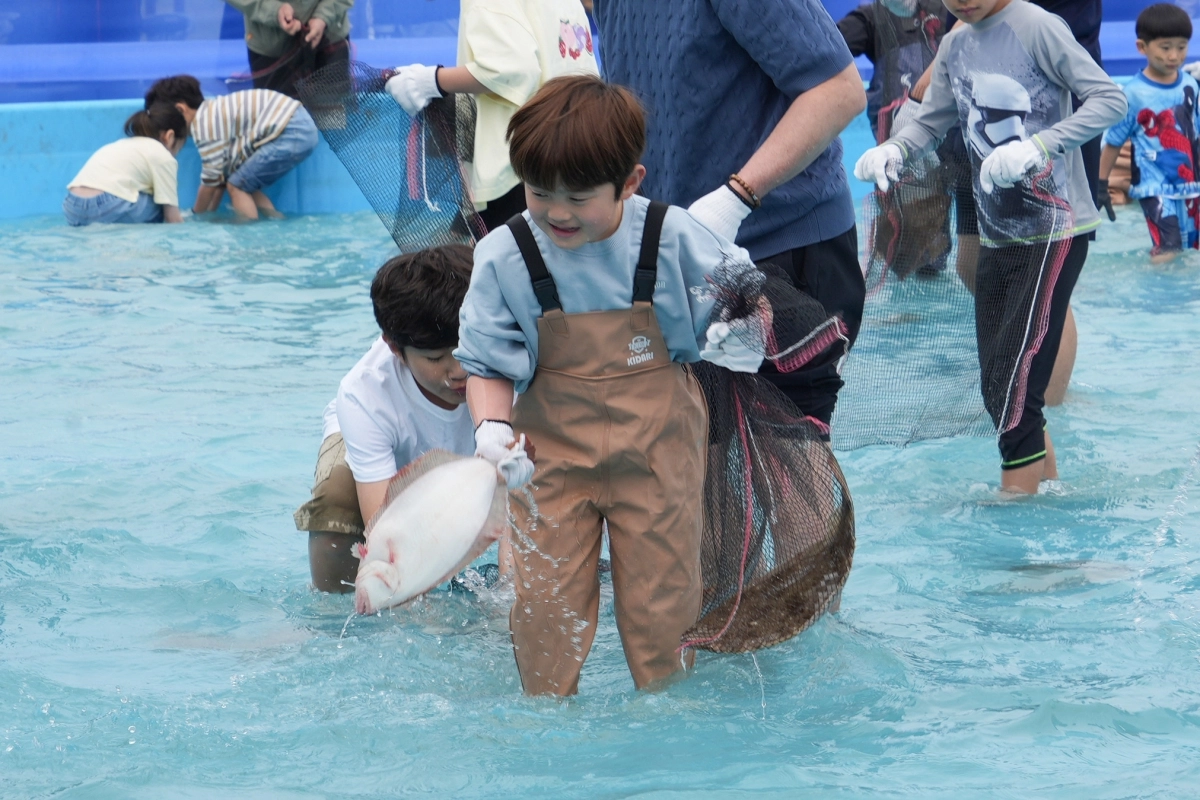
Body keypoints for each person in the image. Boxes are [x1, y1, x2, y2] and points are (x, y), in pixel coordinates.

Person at [455, 75, 762, 696]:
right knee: (544, 607)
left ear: (630, 182)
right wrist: (491, 429)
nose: (557, 213)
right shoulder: (505, 254)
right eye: (539, 193)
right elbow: (485, 362)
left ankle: (666, 730)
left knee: (664, 605)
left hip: (659, 449)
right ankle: (548, 727)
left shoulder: (673, 236)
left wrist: (744, 334)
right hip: (548, 458)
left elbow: (748, 301)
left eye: (578, 197)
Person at [854, 0, 1125, 493]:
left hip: (1054, 229)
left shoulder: (1038, 27)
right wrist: (895, 147)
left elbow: (1109, 100)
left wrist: (1042, 147)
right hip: (997, 228)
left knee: (1018, 394)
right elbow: (932, 120)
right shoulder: (956, 41)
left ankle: (1014, 514)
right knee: (1001, 387)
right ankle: (1048, 492)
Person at [593, 0, 867, 432]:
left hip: (781, 245)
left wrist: (736, 197)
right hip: (683, 256)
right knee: (696, 450)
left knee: (790, 454)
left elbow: (838, 90)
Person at [294, 245, 480, 593]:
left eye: (466, 351)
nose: (459, 372)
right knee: (337, 492)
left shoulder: (505, 347)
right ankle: (334, 611)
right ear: (395, 348)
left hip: (470, 452)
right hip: (381, 452)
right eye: (436, 357)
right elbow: (385, 532)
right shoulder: (363, 396)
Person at [384, 0, 599, 232]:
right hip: (579, 151)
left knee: (503, 261)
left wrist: (431, 81)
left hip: (518, 168)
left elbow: (511, 69)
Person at [1100, 4, 1200, 264]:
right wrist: (1100, 184)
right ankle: (1161, 302)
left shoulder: (1190, 85)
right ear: (1141, 47)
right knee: (1168, 248)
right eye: (1165, 47)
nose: (1174, 56)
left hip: (1191, 185)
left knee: (1193, 248)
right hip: (1153, 187)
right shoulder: (1133, 93)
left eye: (1182, 47)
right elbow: (1113, 141)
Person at [144, 75, 319, 220]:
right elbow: (220, 179)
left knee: (238, 187)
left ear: (180, 110)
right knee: (244, 182)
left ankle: (250, 236)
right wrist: (210, 214)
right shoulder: (214, 112)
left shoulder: (204, 126)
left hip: (291, 130)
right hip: (296, 125)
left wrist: (196, 216)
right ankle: (275, 223)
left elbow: (210, 183)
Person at [63, 104, 188, 226]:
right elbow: (172, 218)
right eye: (179, 148)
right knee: (161, 205)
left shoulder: (120, 144)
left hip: (73, 207)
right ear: (170, 137)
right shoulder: (163, 155)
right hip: (110, 207)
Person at [224, 1, 352, 99]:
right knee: (275, 124)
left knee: (333, 124)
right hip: (271, 47)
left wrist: (324, 16)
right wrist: (273, 10)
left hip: (329, 40)